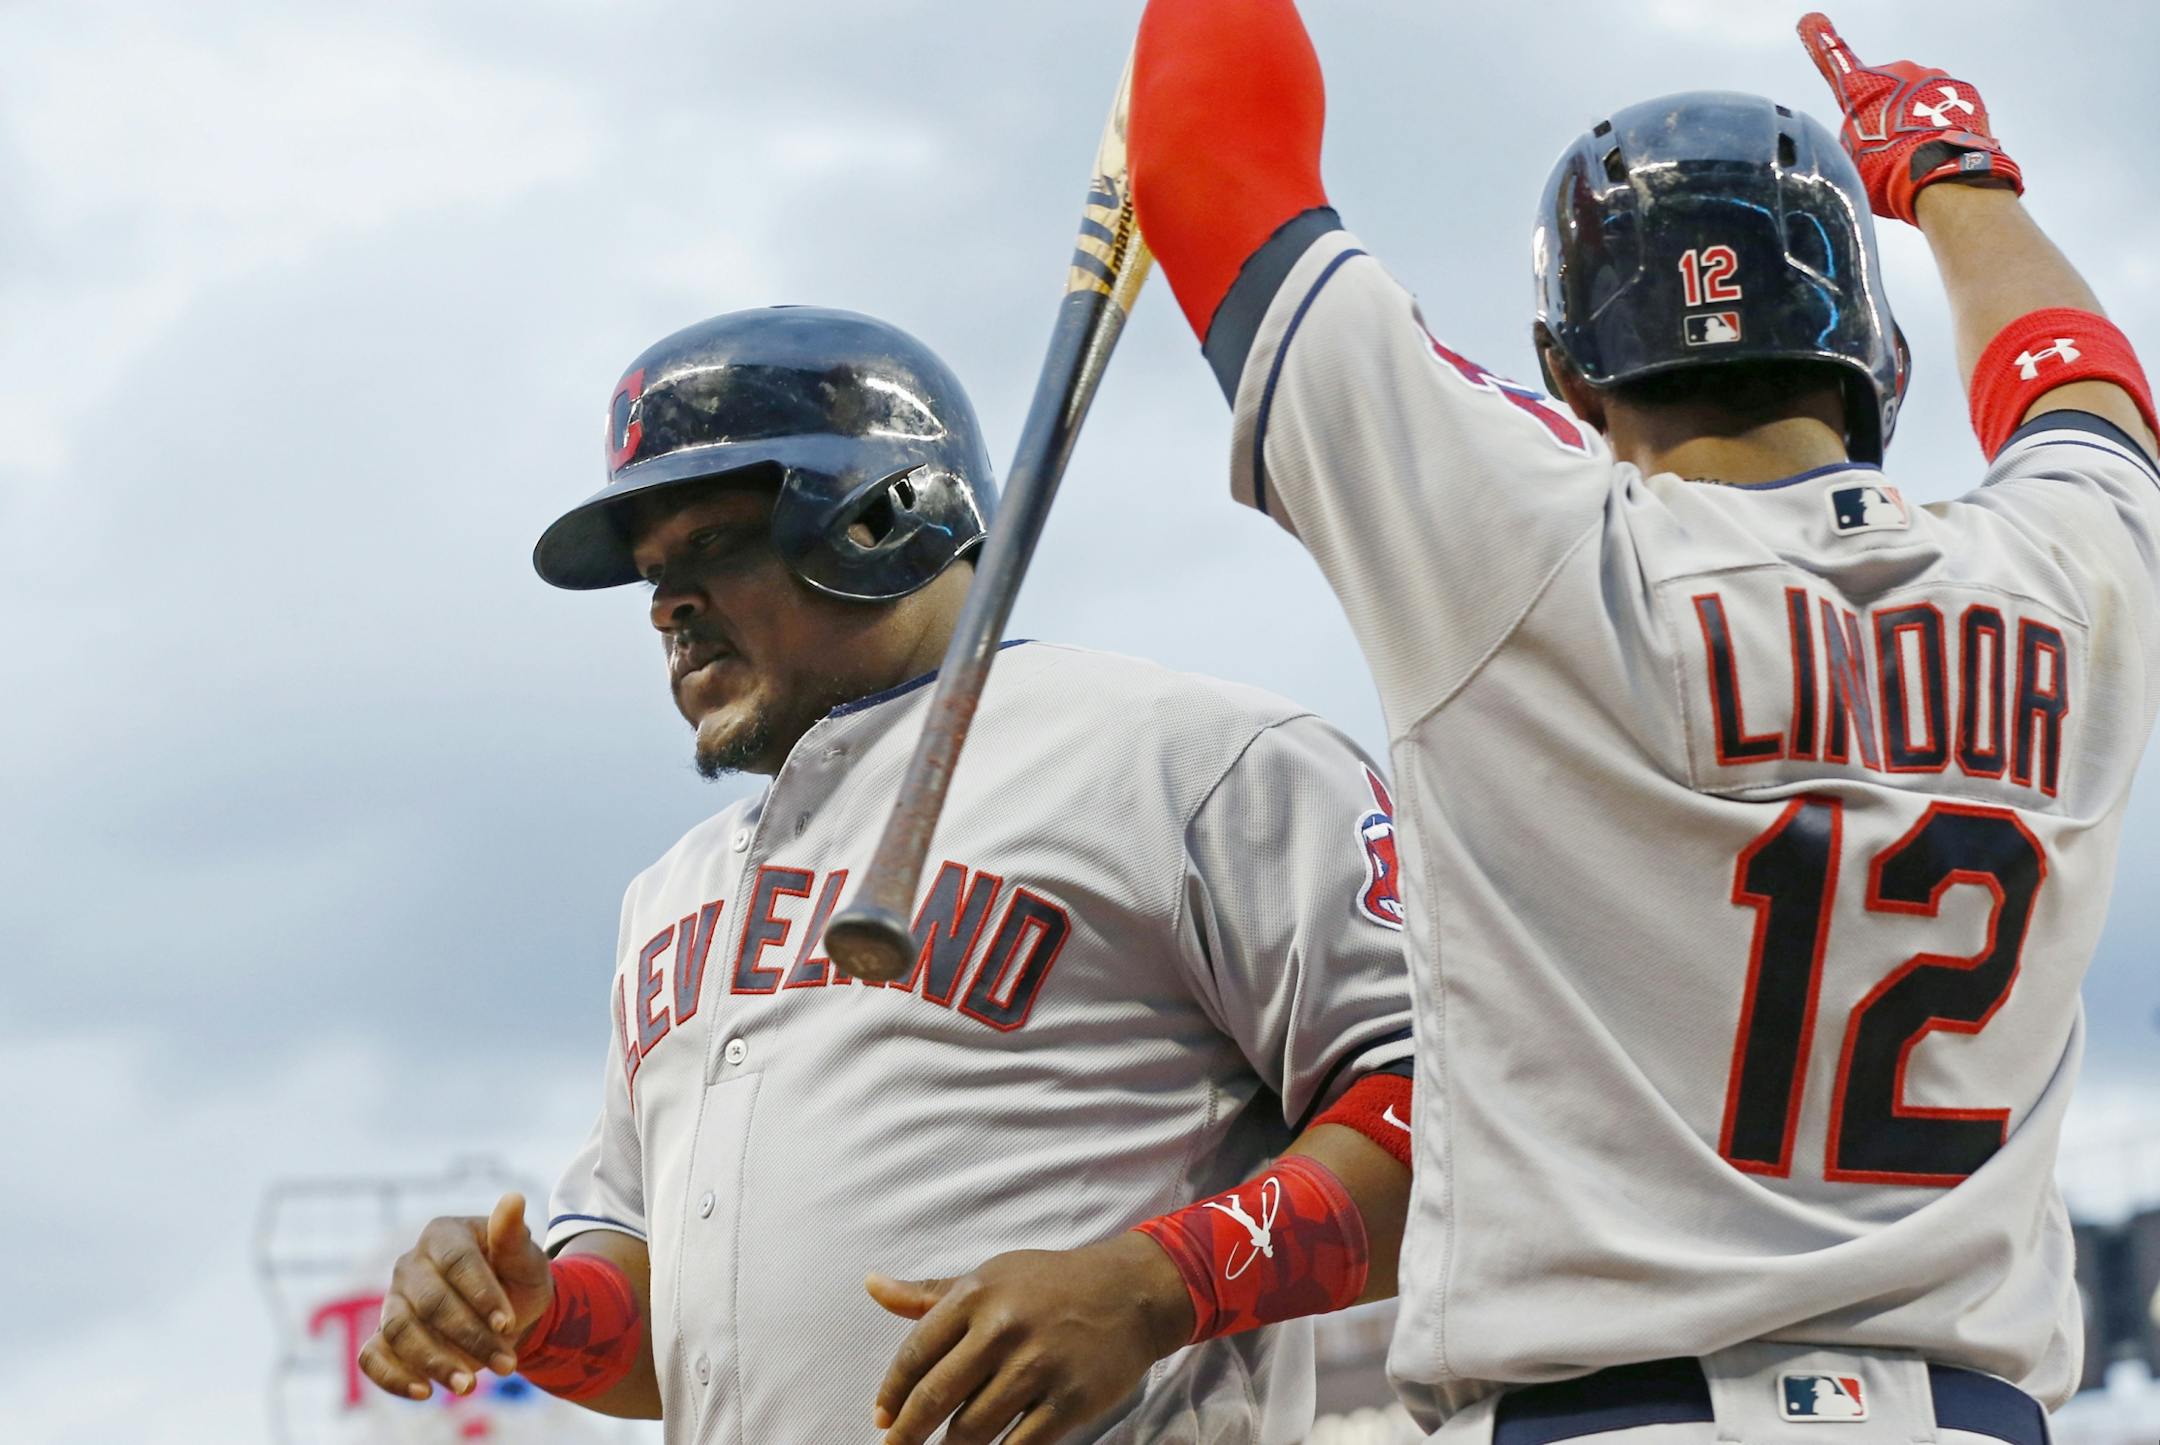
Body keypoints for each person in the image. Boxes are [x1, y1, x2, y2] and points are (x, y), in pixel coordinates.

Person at [1127, 5, 2159, 1444]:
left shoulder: (1523, 545)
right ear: (1877, 361)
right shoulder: (2065, 577)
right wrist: (1951, 173)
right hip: (1971, 1413)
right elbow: (2087, 390)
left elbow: (1204, 149)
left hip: (1610, 1413)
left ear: (1570, 378)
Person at [354, 305, 1421, 1445]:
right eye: (652, 574)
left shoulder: (1183, 759)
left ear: (881, 519)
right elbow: (666, 1331)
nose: (664, 604)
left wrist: (1156, 1284)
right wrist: (542, 1310)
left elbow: (1455, 1115)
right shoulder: (671, 893)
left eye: (711, 545)